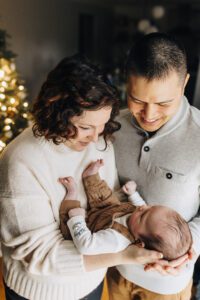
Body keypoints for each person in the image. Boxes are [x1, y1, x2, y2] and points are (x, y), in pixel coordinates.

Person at [0, 55, 162, 300]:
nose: (96, 138)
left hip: (91, 282)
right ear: (56, 112)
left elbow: (111, 197)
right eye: (86, 127)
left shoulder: (100, 142)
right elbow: (42, 254)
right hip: (40, 291)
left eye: (103, 125)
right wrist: (121, 256)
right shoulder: (20, 160)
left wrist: (139, 216)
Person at [107, 32, 200, 300]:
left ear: (184, 83)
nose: (149, 115)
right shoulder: (111, 126)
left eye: (163, 103)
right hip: (115, 271)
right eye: (137, 100)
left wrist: (188, 246)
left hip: (168, 285)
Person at [58, 159, 192, 261]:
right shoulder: (143, 215)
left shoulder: (117, 240)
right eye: (151, 207)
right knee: (107, 197)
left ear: (139, 243)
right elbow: (143, 206)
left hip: (89, 225)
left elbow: (85, 246)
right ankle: (90, 176)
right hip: (110, 209)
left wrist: (77, 220)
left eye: (143, 215)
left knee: (70, 215)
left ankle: (71, 193)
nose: (142, 207)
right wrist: (132, 194)